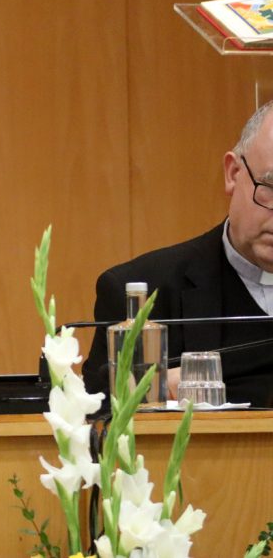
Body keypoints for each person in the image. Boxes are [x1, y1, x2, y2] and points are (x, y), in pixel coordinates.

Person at [83, 101, 273, 407]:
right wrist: (151, 389)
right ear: (233, 173)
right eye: (271, 186)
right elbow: (97, 420)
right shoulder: (143, 292)